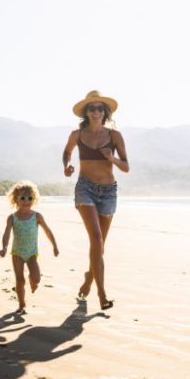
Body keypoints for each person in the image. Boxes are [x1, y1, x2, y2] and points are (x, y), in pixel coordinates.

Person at [62, 90, 129, 310]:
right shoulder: (77, 135)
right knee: (97, 239)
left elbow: (126, 167)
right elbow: (67, 152)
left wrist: (113, 159)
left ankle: (89, 279)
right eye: (92, 108)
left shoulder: (115, 136)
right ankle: (102, 295)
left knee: (100, 245)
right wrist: (67, 166)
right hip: (85, 189)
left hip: (109, 192)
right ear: (86, 112)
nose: (96, 112)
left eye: (100, 108)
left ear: (105, 112)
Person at [0, 181, 59, 314]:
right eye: (23, 198)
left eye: (30, 198)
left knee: (36, 277)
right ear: (16, 200)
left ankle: (33, 282)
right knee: (20, 280)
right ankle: (22, 304)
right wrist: (4, 247)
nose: (27, 201)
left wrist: (54, 245)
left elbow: (48, 231)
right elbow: (6, 234)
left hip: (31, 253)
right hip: (17, 253)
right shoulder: (12, 218)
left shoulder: (36, 216)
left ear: (34, 199)